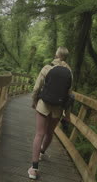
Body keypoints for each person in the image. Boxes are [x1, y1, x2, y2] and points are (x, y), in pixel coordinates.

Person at [28, 47, 72, 180]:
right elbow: (69, 95)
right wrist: (67, 114)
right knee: (49, 132)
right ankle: (42, 152)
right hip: (58, 108)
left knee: (39, 133)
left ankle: (34, 169)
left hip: (43, 104)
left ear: (56, 55)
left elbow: (37, 88)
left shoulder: (47, 68)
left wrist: (34, 101)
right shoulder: (70, 72)